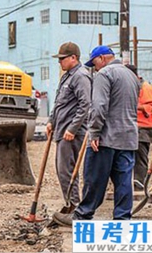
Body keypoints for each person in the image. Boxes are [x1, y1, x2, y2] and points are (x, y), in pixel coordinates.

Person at [52, 45, 140, 226]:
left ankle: (82, 216)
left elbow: (98, 107)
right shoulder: (131, 76)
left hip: (106, 138)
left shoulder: (104, 74)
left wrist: (94, 133)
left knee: (94, 178)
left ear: (102, 59)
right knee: (123, 181)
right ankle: (123, 219)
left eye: (94, 63)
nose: (94, 67)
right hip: (128, 137)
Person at [47, 42, 91, 208]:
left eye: (62, 59)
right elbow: (59, 102)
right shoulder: (67, 76)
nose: (60, 62)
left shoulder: (80, 76)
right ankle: (70, 204)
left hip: (72, 133)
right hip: (61, 129)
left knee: (67, 170)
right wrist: (51, 121)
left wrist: (72, 128)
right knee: (61, 170)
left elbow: (85, 104)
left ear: (73, 58)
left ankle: (74, 205)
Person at [125, 64, 152, 191]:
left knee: (140, 157)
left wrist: (131, 105)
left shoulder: (146, 88)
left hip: (144, 128)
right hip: (137, 127)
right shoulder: (136, 87)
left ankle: (139, 184)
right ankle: (135, 182)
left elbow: (150, 108)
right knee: (134, 156)